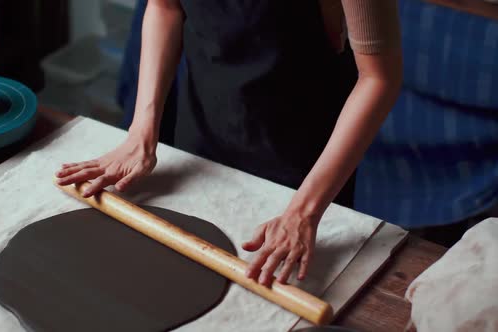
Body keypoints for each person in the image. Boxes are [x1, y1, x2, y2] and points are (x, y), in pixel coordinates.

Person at [56, 0, 403, 285]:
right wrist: (141, 132)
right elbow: (165, 7)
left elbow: (378, 79)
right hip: (201, 137)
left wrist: (304, 213)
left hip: (302, 169)